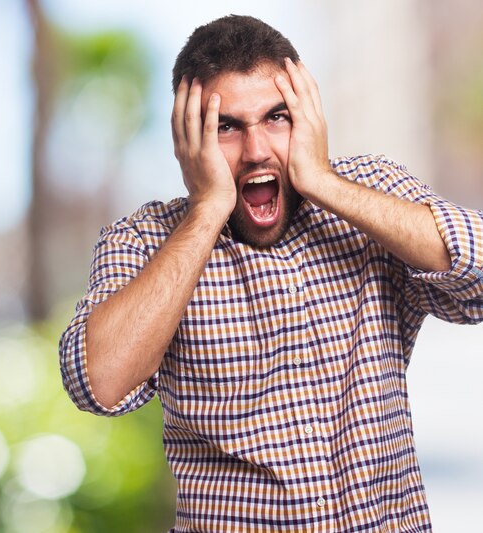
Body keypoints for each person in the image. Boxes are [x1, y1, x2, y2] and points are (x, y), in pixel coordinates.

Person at [59, 15, 483, 532]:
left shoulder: (369, 192)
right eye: (227, 127)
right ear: (185, 135)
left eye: (276, 117)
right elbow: (98, 383)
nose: (257, 150)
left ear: (307, 116)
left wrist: (322, 180)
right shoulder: (145, 239)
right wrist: (208, 208)